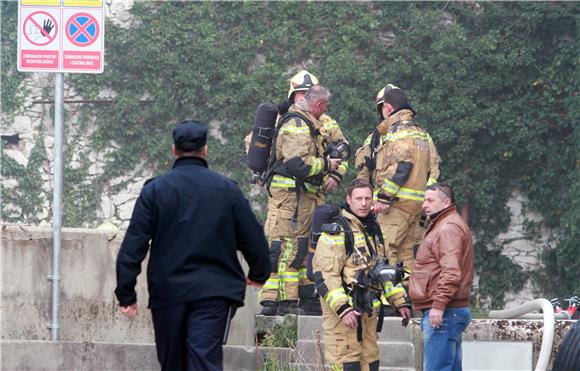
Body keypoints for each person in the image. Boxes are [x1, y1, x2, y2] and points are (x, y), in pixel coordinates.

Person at [115, 120, 271, 371]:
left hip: (169, 292)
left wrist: (126, 293)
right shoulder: (227, 190)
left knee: (172, 362)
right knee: (204, 360)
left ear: (174, 151)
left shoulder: (155, 190)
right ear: (205, 150)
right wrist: (258, 272)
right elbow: (252, 237)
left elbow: (134, 245)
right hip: (214, 292)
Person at [258, 84, 347, 316]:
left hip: (303, 196)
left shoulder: (310, 121)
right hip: (290, 197)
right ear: (318, 104)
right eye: (324, 106)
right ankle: (285, 301)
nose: (325, 111)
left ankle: (302, 297)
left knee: (302, 246)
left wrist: (334, 170)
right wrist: (328, 165)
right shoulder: (297, 123)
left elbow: (338, 146)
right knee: (288, 246)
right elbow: (297, 164)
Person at [312, 179, 411, 371]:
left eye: (367, 198)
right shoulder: (337, 231)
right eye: (359, 198)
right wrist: (343, 309)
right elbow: (326, 275)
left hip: (367, 316)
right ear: (349, 199)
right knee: (347, 366)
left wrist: (400, 301)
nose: (364, 203)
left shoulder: (373, 230)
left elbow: (381, 273)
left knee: (371, 365)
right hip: (344, 320)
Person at [355, 84, 440, 276]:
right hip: (417, 208)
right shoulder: (423, 134)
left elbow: (401, 167)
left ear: (387, 108)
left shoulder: (396, 133)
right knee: (407, 256)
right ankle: (407, 301)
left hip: (395, 206)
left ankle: (389, 303)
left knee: (384, 252)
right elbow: (434, 171)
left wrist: (383, 198)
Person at [409, 183, 474, 371]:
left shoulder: (447, 228)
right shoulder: (444, 224)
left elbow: (451, 271)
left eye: (430, 200)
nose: (425, 205)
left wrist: (438, 305)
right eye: (424, 200)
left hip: (444, 312)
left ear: (446, 202)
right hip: (448, 310)